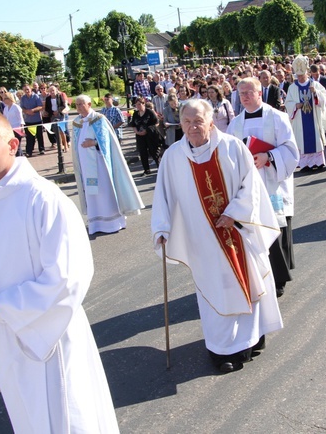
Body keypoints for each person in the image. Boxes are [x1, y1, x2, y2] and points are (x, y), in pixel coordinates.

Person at [0, 110, 119, 433]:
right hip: (4, 336)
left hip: (50, 331)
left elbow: (69, 276)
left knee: (68, 416)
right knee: (27, 417)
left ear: (12, 144)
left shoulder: (43, 198)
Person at [151, 99, 283, 373]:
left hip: (237, 231)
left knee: (247, 281)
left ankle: (252, 339)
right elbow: (162, 196)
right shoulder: (173, 157)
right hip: (203, 239)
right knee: (215, 289)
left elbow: (252, 185)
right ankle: (222, 351)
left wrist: (235, 212)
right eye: (186, 121)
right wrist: (161, 228)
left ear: (211, 121)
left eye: (198, 121)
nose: (192, 127)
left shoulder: (232, 147)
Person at [227, 78, 299, 297]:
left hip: (272, 181)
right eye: (241, 93)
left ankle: (278, 279)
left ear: (260, 93)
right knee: (253, 229)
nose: (245, 96)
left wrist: (268, 157)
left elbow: (291, 150)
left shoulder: (277, 117)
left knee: (275, 227)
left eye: (249, 92)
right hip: (248, 184)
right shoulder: (235, 124)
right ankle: (258, 274)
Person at [72, 95, 143, 234]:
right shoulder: (76, 122)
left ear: (89, 104)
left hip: (100, 164)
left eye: (81, 104)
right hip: (86, 166)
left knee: (104, 190)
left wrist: (93, 143)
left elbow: (106, 140)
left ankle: (113, 222)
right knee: (91, 193)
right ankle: (96, 222)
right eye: (77, 105)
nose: (79, 107)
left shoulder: (99, 119)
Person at [284, 56, 326, 171]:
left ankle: (318, 163)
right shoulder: (293, 87)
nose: (300, 78)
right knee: (301, 141)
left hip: (314, 118)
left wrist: (315, 93)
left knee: (315, 139)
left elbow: (324, 96)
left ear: (307, 73)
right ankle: (305, 164)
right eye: (298, 76)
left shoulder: (315, 84)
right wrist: (295, 105)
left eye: (302, 75)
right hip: (300, 118)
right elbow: (288, 102)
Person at [127, 97, 161, 175]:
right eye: (136, 105)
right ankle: (146, 170)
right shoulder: (135, 113)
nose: (138, 106)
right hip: (140, 136)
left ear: (143, 104)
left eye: (139, 104)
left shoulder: (149, 112)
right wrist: (137, 132)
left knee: (154, 151)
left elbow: (156, 122)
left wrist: (148, 129)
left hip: (150, 135)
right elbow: (133, 124)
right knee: (143, 152)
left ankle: (160, 167)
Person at [19, 84, 45, 157]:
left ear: (30, 89)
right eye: (25, 90)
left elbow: (40, 106)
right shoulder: (23, 98)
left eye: (28, 89)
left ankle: (41, 149)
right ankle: (29, 151)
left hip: (37, 119)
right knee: (29, 137)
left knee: (39, 135)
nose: (27, 91)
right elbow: (22, 107)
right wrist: (26, 111)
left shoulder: (36, 97)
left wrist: (33, 110)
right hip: (28, 120)